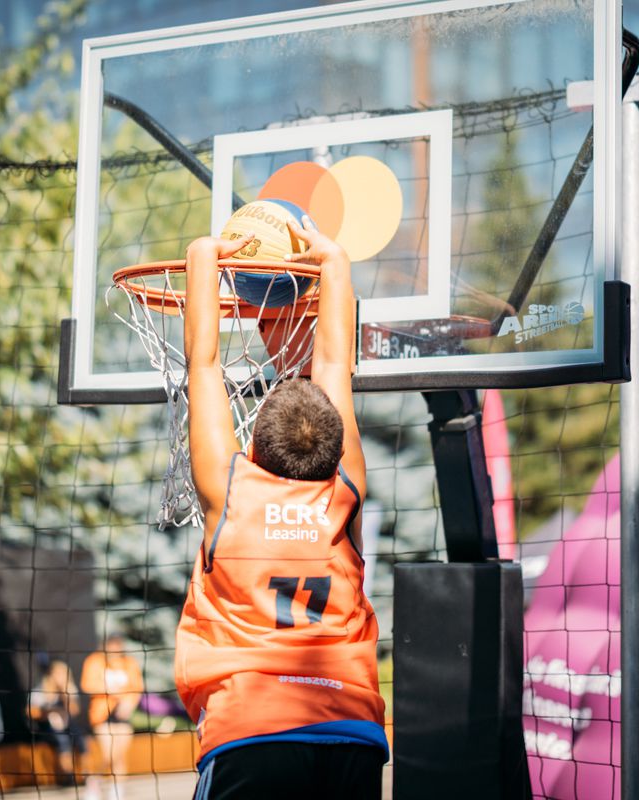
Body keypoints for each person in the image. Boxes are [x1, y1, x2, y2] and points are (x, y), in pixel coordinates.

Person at [174, 219, 388, 799]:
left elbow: (203, 365)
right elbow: (333, 368)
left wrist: (203, 254)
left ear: (255, 449)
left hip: (251, 731)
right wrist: (335, 260)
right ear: (334, 447)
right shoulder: (343, 494)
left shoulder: (232, 496)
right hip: (351, 734)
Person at [80, 635, 143, 800]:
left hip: (123, 713)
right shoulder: (95, 661)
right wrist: (112, 691)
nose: (115, 650)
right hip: (102, 714)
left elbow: (137, 688)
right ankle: (95, 782)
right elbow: (87, 685)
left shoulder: (129, 662)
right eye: (111, 646)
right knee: (108, 754)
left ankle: (117, 792)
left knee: (120, 755)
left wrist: (129, 703)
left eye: (118, 646)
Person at [28, 656, 87, 785]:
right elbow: (30, 712)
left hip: (67, 724)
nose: (61, 677)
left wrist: (65, 694)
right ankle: (68, 775)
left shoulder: (70, 689)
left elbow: (75, 711)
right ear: (51, 674)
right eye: (58, 674)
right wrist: (50, 711)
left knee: (80, 738)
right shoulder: (40, 690)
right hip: (46, 727)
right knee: (62, 740)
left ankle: (85, 774)